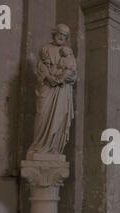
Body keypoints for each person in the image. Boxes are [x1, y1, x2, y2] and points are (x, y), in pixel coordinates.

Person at [28, 24, 76, 157]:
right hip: (47, 88)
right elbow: (41, 69)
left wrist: (64, 77)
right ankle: (38, 146)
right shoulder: (45, 49)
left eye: (65, 36)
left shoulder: (69, 53)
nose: (62, 37)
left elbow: (73, 73)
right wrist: (50, 77)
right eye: (60, 33)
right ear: (54, 33)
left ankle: (54, 148)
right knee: (42, 114)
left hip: (62, 90)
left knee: (59, 118)